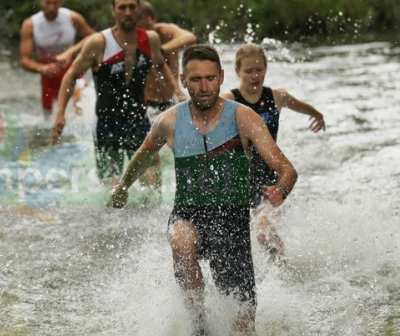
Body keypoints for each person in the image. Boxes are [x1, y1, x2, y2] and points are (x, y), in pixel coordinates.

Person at [110, 44, 298, 334]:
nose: (204, 86)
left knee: (243, 326)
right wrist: (123, 185)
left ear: (222, 77)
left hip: (231, 224)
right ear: (184, 80)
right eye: (196, 79)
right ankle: (198, 322)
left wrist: (280, 190)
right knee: (180, 240)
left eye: (210, 78)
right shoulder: (168, 122)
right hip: (189, 212)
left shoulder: (243, 117)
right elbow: (144, 156)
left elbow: (287, 169)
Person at [50, 0, 179, 188]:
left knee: (153, 182)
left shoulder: (150, 39)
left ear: (138, 9)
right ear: (113, 11)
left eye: (131, 7)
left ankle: (150, 219)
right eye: (122, 8)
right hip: (107, 124)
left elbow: (160, 64)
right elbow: (71, 76)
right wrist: (60, 115)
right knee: (112, 189)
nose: (127, 12)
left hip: (138, 119)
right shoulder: (98, 42)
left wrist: (178, 91)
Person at [221, 43, 325, 261]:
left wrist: (318, 115)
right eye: (248, 71)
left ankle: (281, 270)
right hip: (236, 181)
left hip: (269, 180)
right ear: (237, 71)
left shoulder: (276, 97)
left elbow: (302, 106)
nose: (254, 75)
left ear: (266, 69)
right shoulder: (229, 100)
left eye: (259, 70)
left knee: (263, 230)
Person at [19, 0, 95, 120]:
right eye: (48, 3)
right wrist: (42, 68)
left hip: (72, 69)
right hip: (48, 76)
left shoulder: (72, 18)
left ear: (61, 2)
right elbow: (25, 60)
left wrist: (72, 52)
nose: (51, 7)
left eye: (55, 3)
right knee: (50, 121)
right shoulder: (30, 25)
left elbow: (95, 39)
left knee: (80, 106)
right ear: (41, 1)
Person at [137, 0, 197, 122]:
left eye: (146, 27)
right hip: (149, 105)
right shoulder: (134, 40)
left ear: (152, 19)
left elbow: (190, 37)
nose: (145, 34)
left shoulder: (165, 31)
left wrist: (161, 50)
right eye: (140, 30)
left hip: (174, 99)